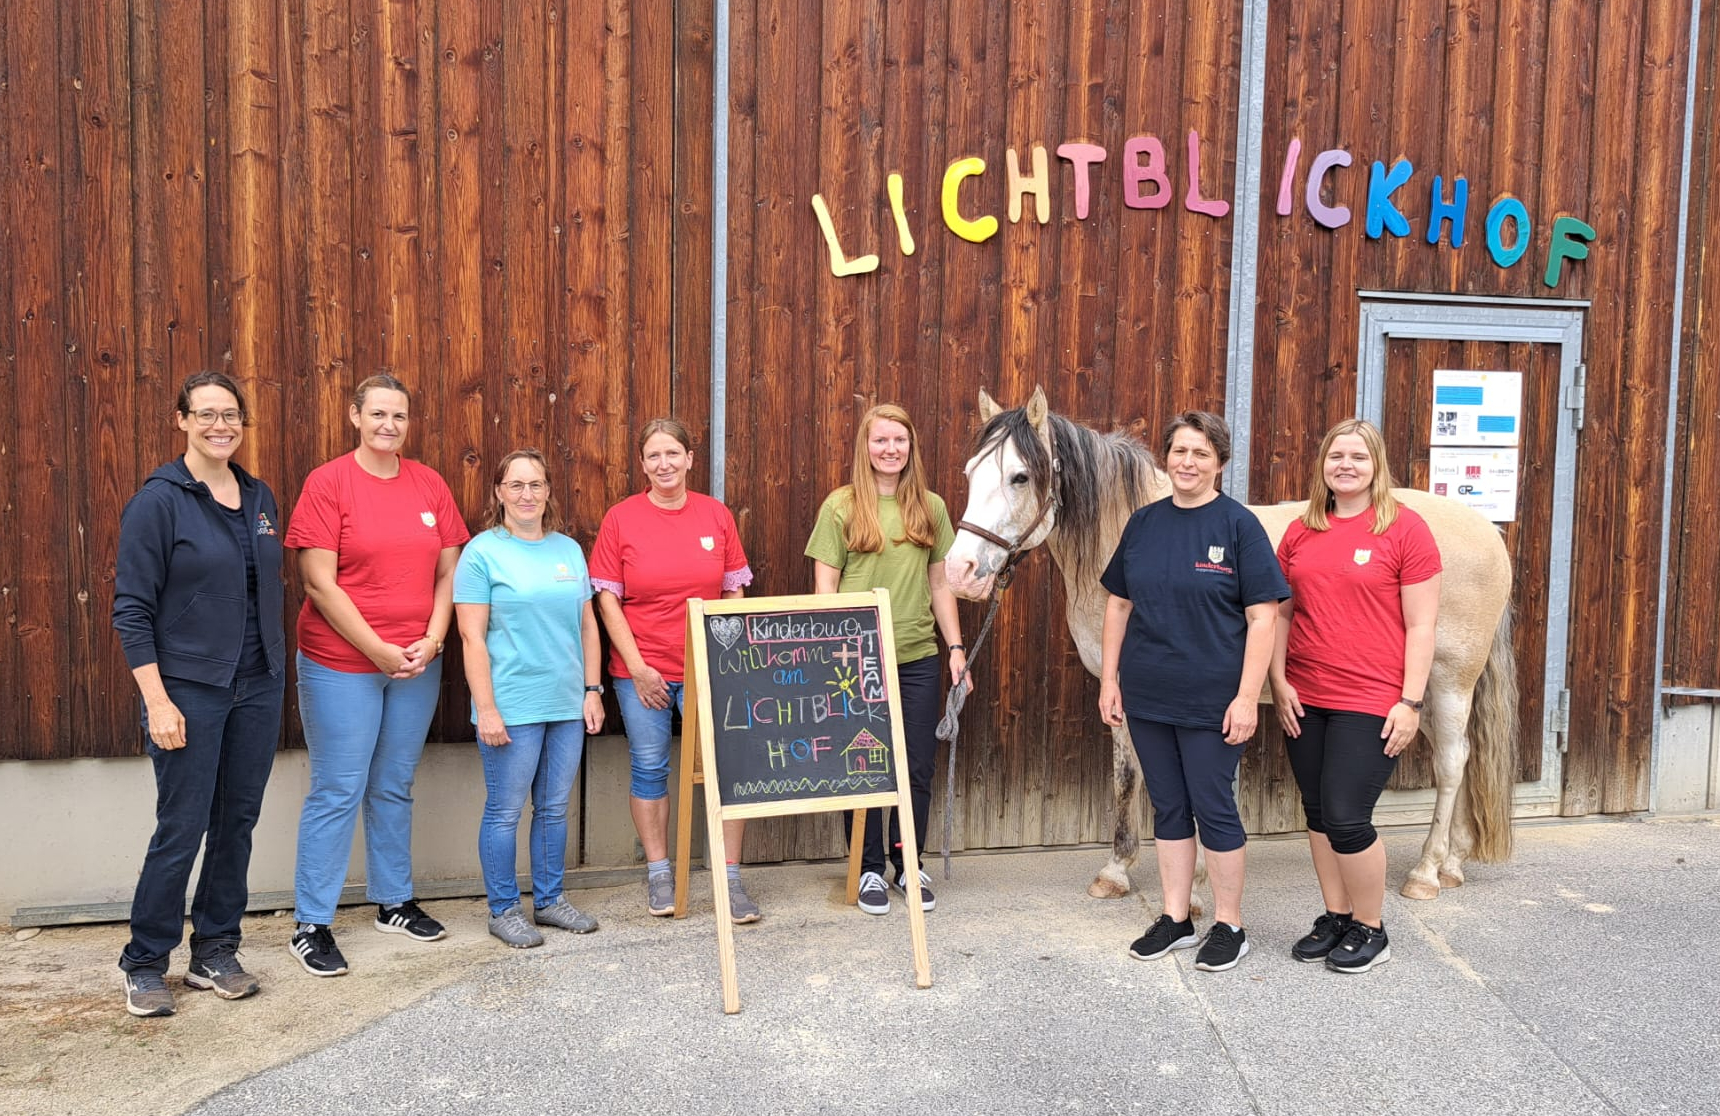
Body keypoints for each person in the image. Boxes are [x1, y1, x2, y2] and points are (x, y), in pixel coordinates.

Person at [112, 371, 287, 1017]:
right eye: (207, 414)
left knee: (236, 822)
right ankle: (144, 961)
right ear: (181, 420)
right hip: (188, 689)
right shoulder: (159, 502)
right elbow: (131, 610)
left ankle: (214, 949)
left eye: (231, 415)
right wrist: (157, 700)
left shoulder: (259, 496)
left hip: (257, 683)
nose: (221, 425)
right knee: (181, 826)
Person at [286, 373, 470, 976]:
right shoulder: (329, 482)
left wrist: (432, 639)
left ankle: (394, 901)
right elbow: (319, 582)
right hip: (341, 663)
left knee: (393, 783)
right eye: (378, 414)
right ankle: (312, 922)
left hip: (416, 663)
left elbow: (449, 574)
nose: (388, 425)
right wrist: (378, 650)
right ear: (355, 416)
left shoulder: (429, 484)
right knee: (339, 788)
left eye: (399, 416)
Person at [1098, 411, 1287, 972]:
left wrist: (1248, 696)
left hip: (1214, 701)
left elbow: (1263, 617)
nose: (1188, 462)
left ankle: (1230, 924)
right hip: (1148, 695)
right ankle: (1177, 917)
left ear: (1220, 463)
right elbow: (1118, 605)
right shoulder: (1144, 524)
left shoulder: (1238, 526)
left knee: (1213, 807)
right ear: (1166, 458)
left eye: (1201, 453)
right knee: (1171, 807)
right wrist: (1110, 679)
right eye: (1180, 451)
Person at [1270, 418, 1441, 974]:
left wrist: (1410, 703)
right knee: (1317, 813)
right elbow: (1280, 614)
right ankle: (1336, 916)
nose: (1346, 465)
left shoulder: (1405, 530)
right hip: (1306, 693)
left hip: (1371, 699)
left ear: (1377, 466)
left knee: (1347, 817)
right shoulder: (1301, 531)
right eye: (1336, 456)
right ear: (1322, 464)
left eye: (1358, 457)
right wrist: (1278, 681)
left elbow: (1421, 626)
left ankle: (1372, 926)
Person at [590, 418, 759, 923]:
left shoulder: (714, 515)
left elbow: (733, 592)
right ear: (642, 465)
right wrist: (638, 669)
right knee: (648, 766)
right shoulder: (621, 519)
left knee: (729, 767)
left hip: (708, 668)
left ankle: (729, 878)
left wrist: (719, 661)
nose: (663, 464)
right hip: (641, 670)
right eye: (653, 456)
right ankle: (659, 871)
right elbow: (606, 599)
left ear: (689, 458)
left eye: (672, 454)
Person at [805, 403, 966, 916]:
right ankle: (868, 867)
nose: (890, 449)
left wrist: (956, 648)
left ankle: (907, 861)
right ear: (865, 446)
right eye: (881, 441)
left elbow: (940, 584)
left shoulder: (931, 507)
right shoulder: (842, 506)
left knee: (916, 767)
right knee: (863, 768)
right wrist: (833, 653)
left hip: (917, 655)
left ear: (910, 446)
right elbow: (824, 587)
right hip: (855, 661)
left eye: (899, 440)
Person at [455, 449, 606, 948]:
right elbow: (472, 638)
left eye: (536, 485)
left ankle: (549, 901)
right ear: (498, 492)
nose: (526, 495)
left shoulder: (567, 550)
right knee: (505, 810)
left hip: (565, 702)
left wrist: (591, 689)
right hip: (512, 705)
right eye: (515, 485)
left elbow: (587, 625)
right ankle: (503, 910)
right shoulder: (481, 553)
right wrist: (488, 708)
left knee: (555, 809)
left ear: (548, 492)